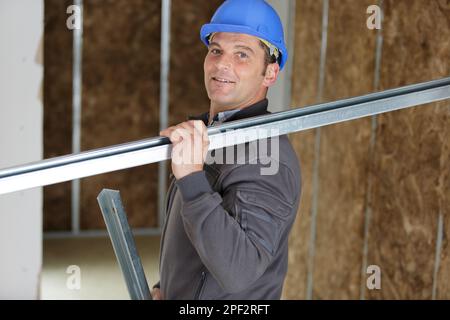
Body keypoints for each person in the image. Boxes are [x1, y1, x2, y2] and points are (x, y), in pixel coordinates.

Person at [152, 0, 301, 300]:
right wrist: (165, 288)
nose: (222, 63)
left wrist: (192, 180)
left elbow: (239, 271)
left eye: (242, 54)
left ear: (270, 73)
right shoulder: (210, 136)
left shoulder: (267, 156)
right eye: (216, 50)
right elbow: (191, 240)